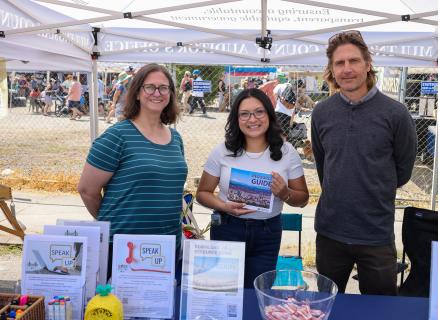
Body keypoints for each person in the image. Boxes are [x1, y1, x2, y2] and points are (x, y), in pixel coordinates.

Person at [311, 30, 417, 295]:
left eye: (354, 61)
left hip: (376, 235)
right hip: (330, 232)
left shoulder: (396, 113)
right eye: (339, 63)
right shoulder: (321, 113)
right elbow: (324, 167)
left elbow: (402, 172)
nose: (347, 69)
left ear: (368, 64)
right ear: (332, 70)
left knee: (380, 309)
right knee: (327, 305)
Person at [78, 63, 187, 280]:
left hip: (166, 247)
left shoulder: (175, 138)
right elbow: (86, 190)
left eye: (164, 88)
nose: (157, 93)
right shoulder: (117, 136)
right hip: (124, 250)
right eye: (150, 87)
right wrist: (111, 224)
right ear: (137, 92)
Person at [196, 88, 309, 288]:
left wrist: (285, 193)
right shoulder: (222, 151)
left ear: (269, 114)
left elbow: (303, 199)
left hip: (268, 232)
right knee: (224, 290)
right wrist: (224, 206)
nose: (252, 119)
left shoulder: (287, 151)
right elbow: (202, 193)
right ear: (236, 119)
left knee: (258, 292)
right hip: (227, 228)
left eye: (259, 112)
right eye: (244, 114)